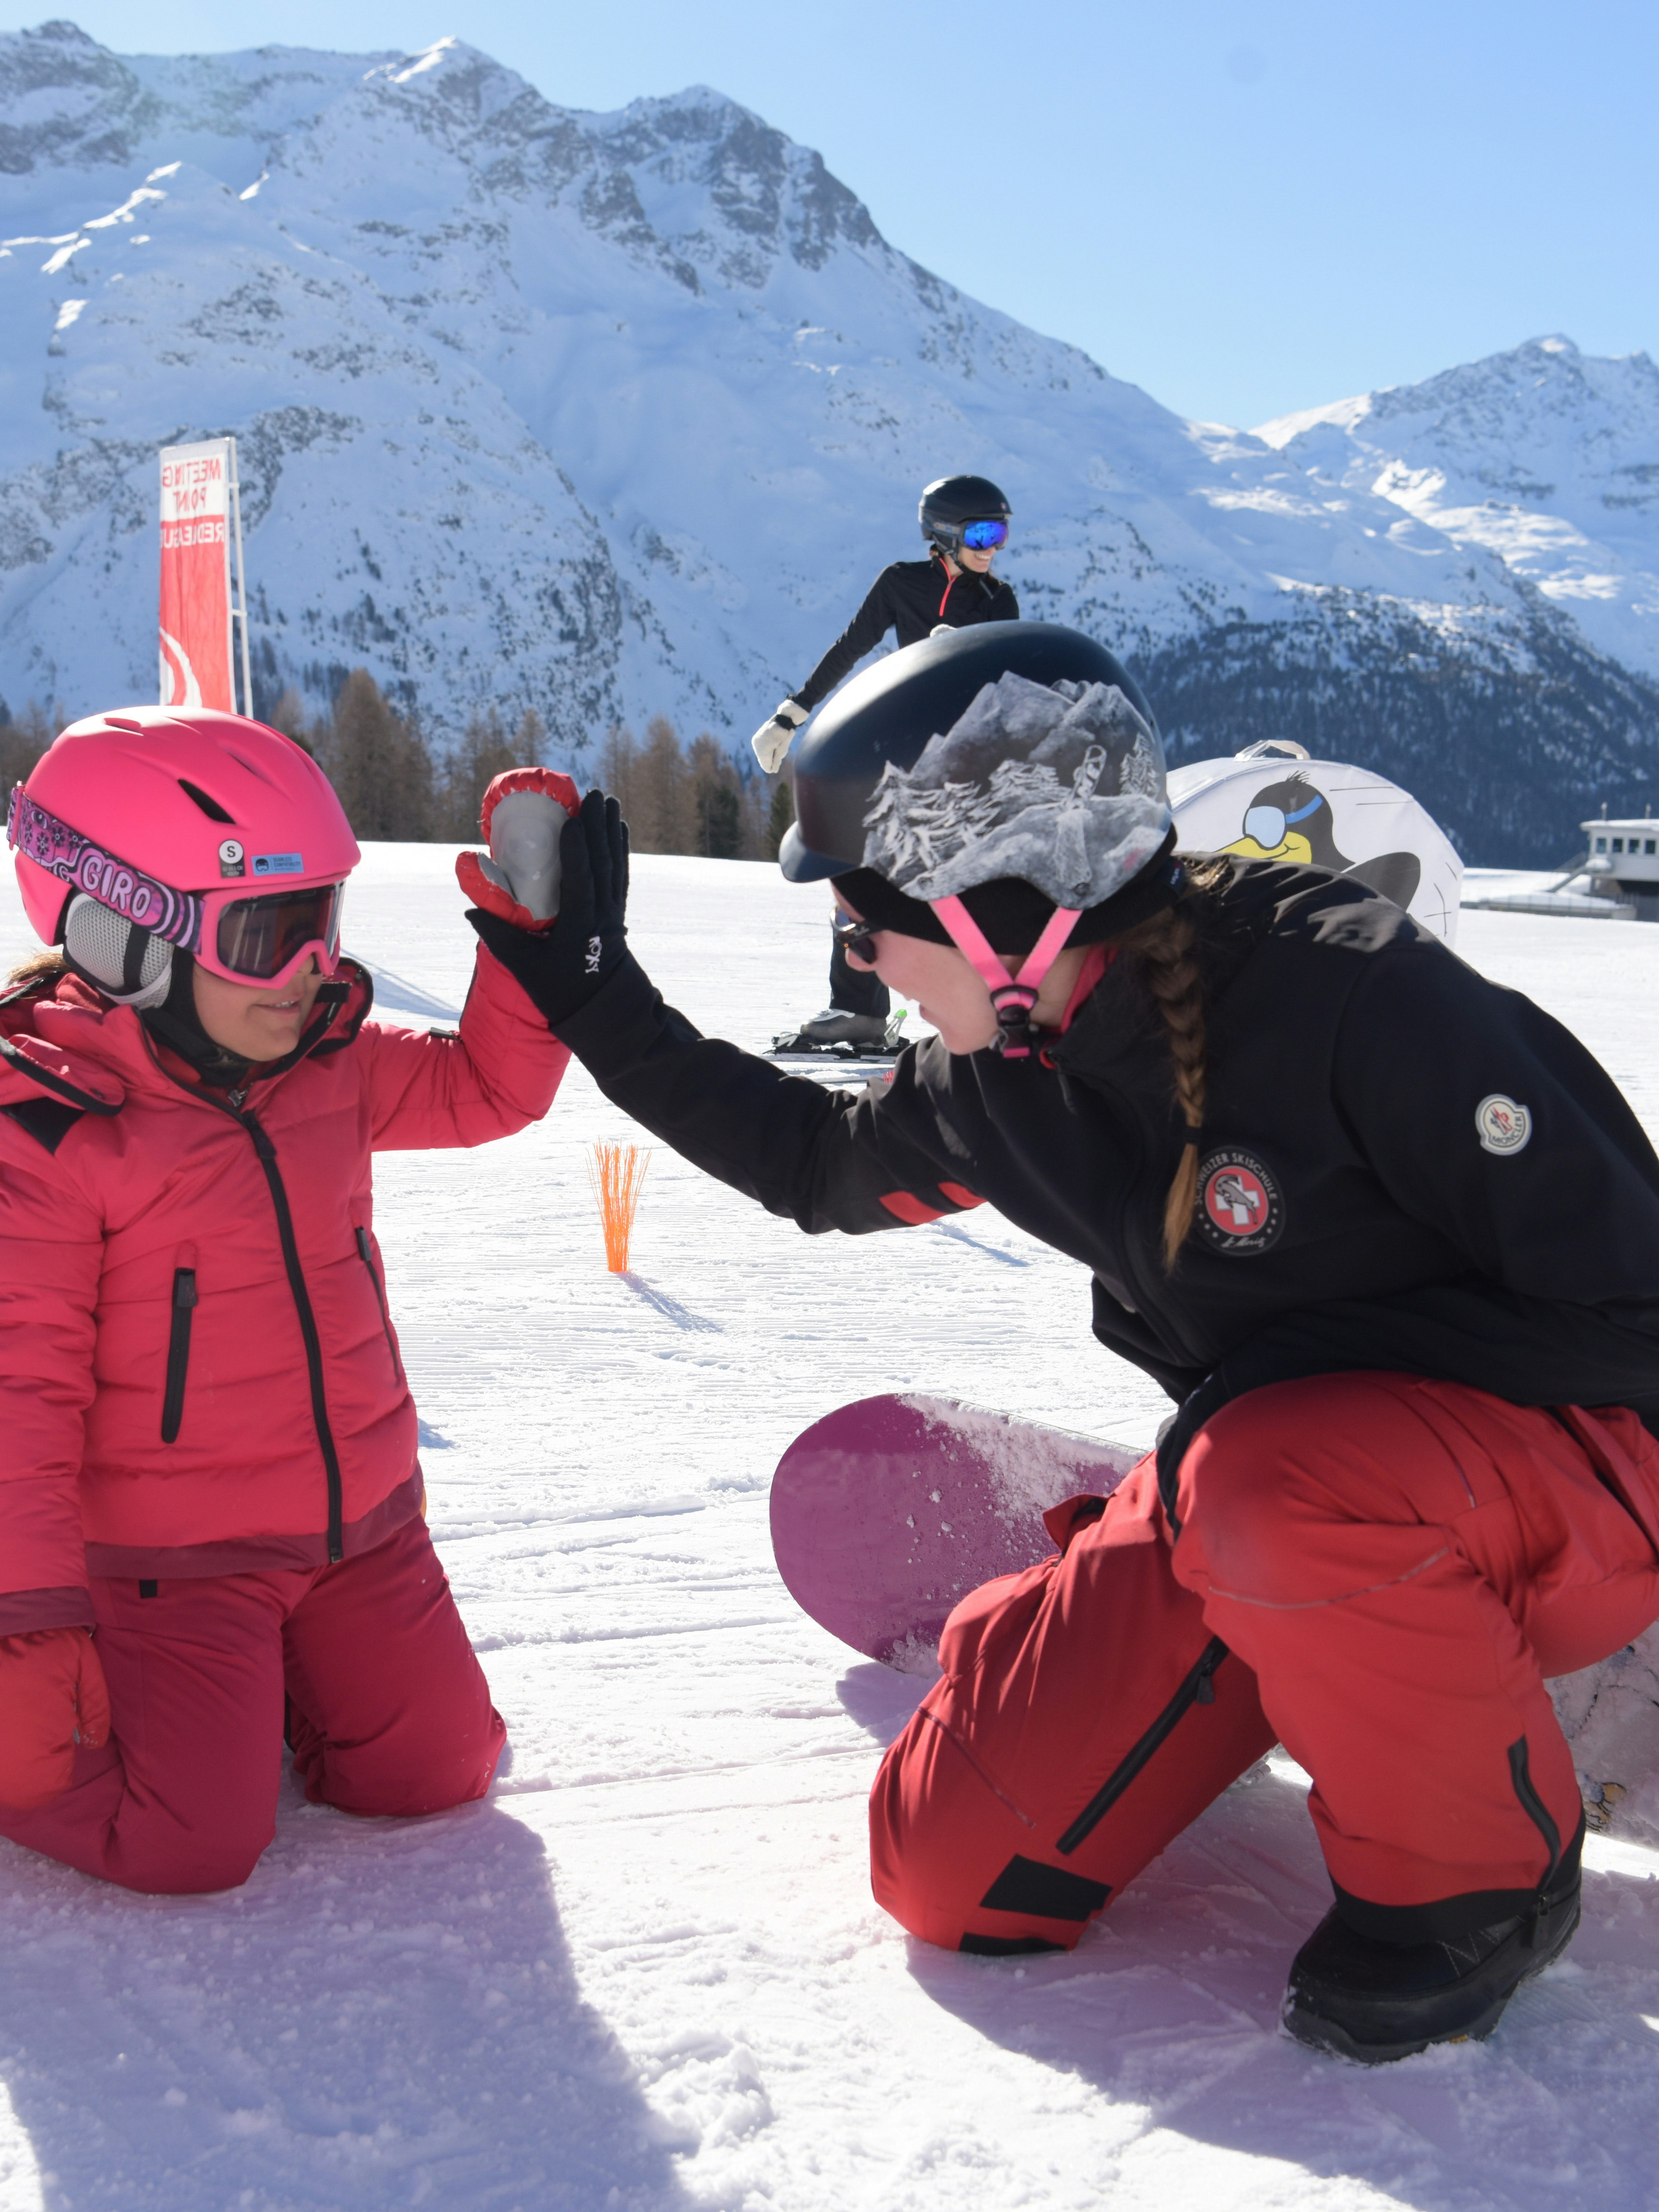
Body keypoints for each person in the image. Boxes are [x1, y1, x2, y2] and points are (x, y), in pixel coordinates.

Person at [473, 620, 1659, 2063]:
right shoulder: (1006, 1069)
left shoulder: (1355, 996)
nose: (858, 953)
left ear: (1006, 894)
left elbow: (1632, 1301)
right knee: (950, 1864)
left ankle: (1483, 1885)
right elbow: (813, 1161)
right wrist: (598, 998)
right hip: (1275, 1474)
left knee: (1273, 1488)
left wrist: (1285, 1400)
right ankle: (1276, 1590)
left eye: (868, 910)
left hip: (1573, 1469)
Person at [0, 707, 572, 1895]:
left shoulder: (328, 1059)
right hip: (173, 1557)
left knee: (439, 1771)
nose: (313, 966)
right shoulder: (51, 1126)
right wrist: (32, 1623)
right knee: (192, 1844)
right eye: (269, 930)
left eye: (324, 920)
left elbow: (488, 1090)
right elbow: (22, 1400)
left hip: (361, 1524)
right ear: (119, 934)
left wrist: (529, 940)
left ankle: (249, 1692)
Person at [753, 473, 1018, 1050]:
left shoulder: (997, 600)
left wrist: (959, 655)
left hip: (966, 767)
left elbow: (1004, 687)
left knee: (969, 888)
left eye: (1000, 532)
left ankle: (1000, 1005)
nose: (992, 546)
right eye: (981, 532)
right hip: (902, 757)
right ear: (944, 533)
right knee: (855, 872)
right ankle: (857, 1011)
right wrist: (789, 715)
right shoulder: (901, 584)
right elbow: (851, 645)